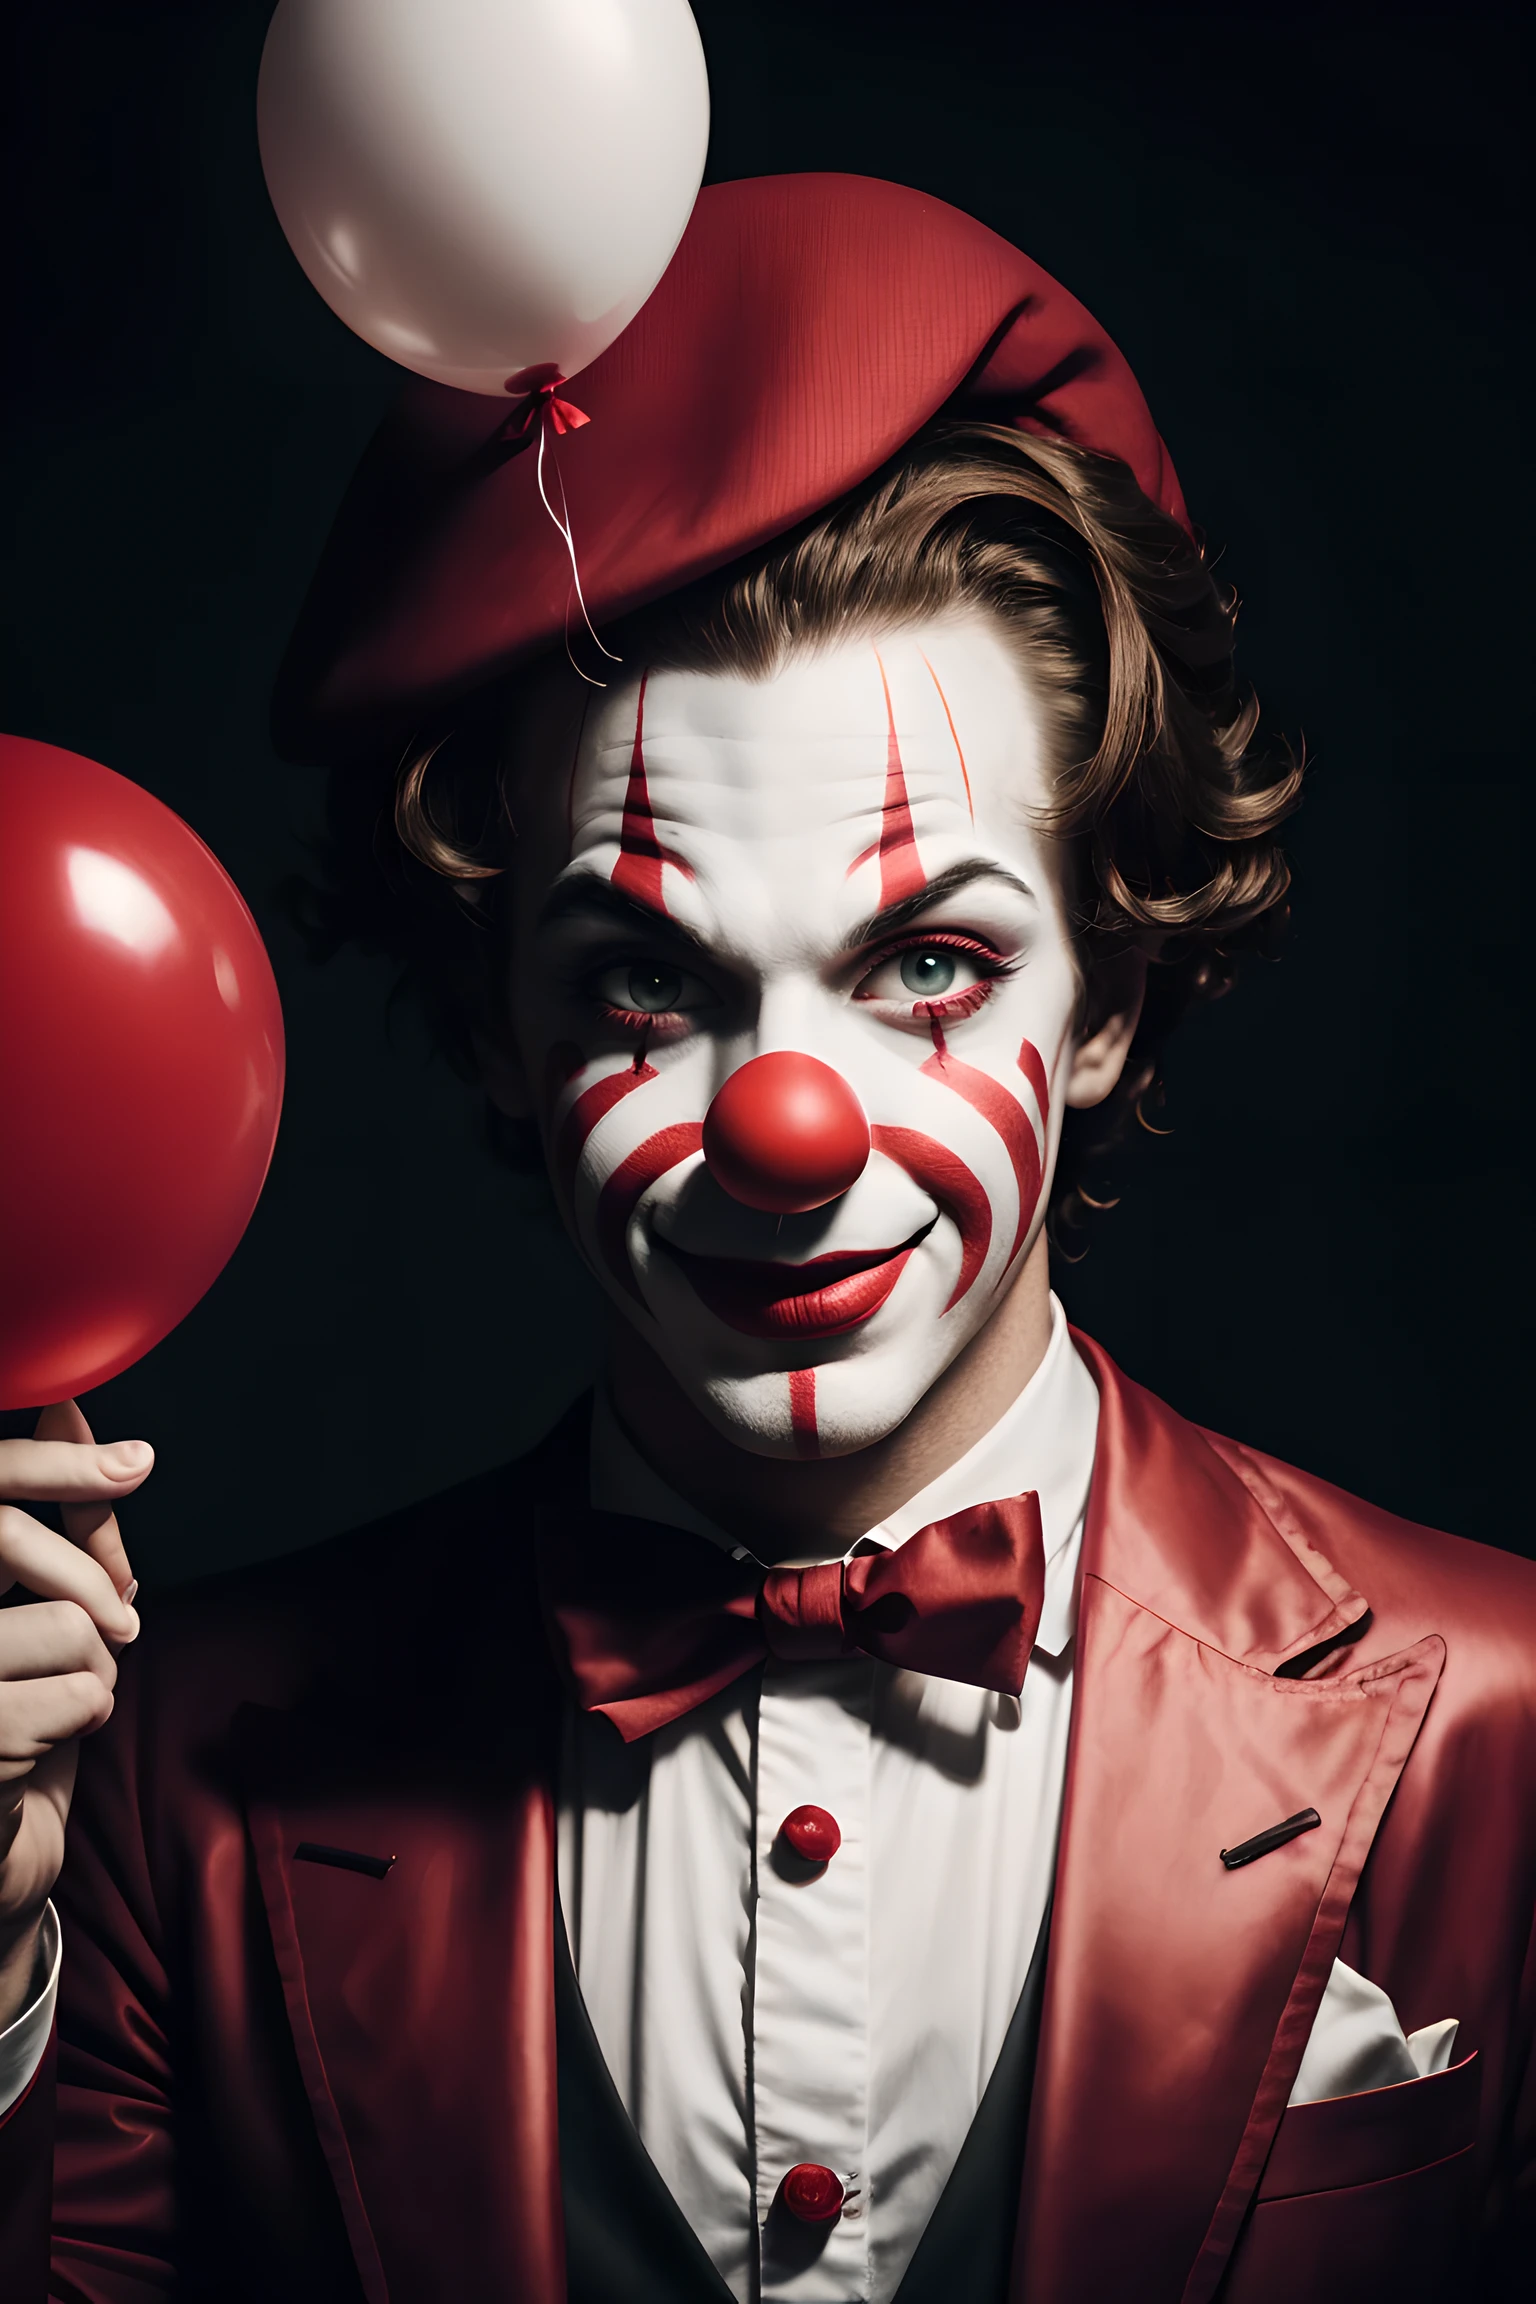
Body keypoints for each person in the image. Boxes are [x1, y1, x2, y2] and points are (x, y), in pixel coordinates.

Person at [0, 176, 1530, 2303]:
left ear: (1104, 992)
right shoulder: (176, 1777)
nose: (785, 1128)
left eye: (921, 965)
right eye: (644, 979)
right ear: (495, 1026)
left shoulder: (1500, 1724)